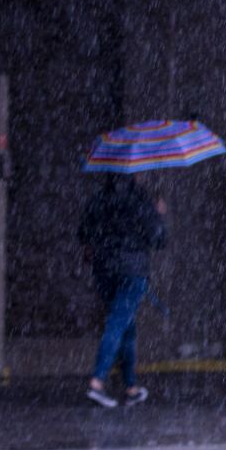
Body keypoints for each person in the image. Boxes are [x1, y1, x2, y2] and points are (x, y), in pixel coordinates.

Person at [77, 173, 166, 408]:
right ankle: (98, 381)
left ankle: (131, 387)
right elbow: (159, 239)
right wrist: (158, 214)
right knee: (117, 324)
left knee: (127, 327)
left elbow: (83, 232)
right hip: (132, 271)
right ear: (135, 173)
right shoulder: (141, 201)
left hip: (104, 269)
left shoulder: (99, 199)